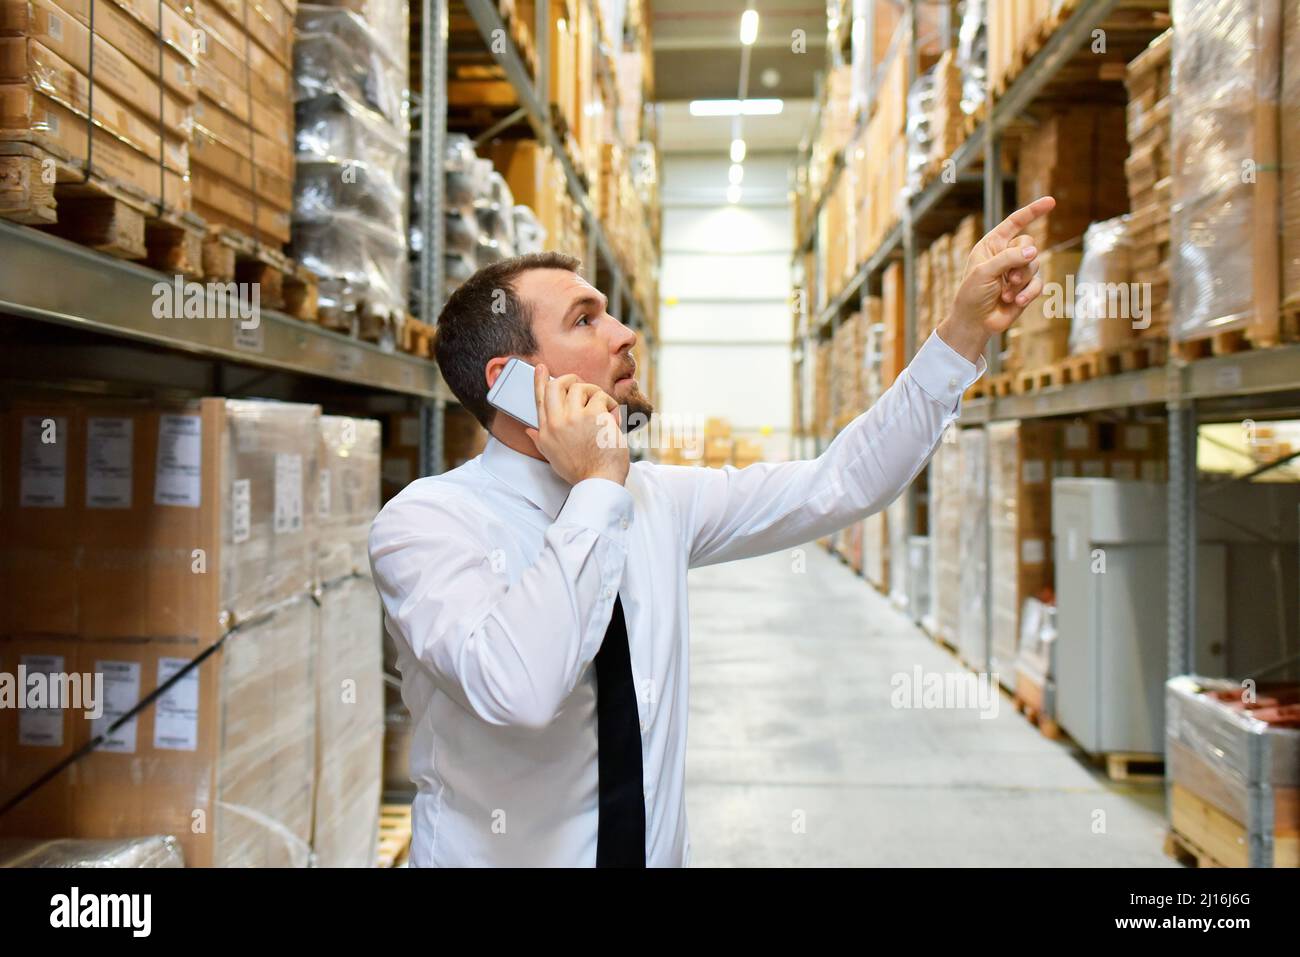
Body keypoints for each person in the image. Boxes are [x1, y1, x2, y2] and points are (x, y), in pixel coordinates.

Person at [369, 196, 1057, 867]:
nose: (623, 334)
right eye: (586, 320)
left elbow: (841, 480)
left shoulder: (657, 499)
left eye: (610, 313)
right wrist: (597, 486)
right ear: (515, 382)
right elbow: (518, 686)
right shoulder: (427, 524)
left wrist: (961, 334)